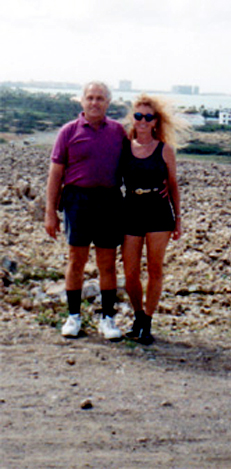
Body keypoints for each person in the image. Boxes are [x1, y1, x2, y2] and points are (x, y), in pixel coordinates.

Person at [45, 81, 126, 340]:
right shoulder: (68, 132)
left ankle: (108, 319)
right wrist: (50, 212)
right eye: (90, 97)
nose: (94, 102)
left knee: (107, 263)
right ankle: (73, 317)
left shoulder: (118, 132)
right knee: (76, 260)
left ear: (108, 103)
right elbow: (55, 174)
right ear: (82, 101)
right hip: (77, 199)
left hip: (109, 200)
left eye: (100, 98)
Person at [121, 94, 186, 345]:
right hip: (131, 210)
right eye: (138, 116)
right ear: (133, 119)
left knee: (155, 269)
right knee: (130, 272)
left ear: (156, 121)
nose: (143, 121)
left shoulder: (164, 149)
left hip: (159, 212)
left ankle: (147, 321)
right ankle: (137, 316)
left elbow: (173, 185)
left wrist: (178, 219)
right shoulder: (124, 146)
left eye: (148, 117)